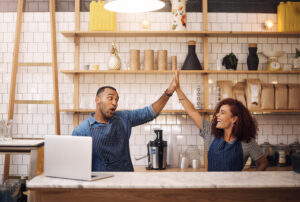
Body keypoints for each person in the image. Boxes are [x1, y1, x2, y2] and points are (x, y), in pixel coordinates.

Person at [72, 77, 177, 172]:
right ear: (97, 100)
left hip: (127, 183)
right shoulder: (81, 131)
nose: (115, 103)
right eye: (110, 98)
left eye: (117, 100)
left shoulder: (123, 118)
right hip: (100, 186)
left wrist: (169, 92)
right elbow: (77, 167)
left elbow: (149, 113)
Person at [174, 70, 268, 171]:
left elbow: (263, 163)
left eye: (222, 113)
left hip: (233, 187)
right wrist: (178, 89)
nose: (217, 115)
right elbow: (192, 111)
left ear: (234, 119)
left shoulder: (247, 142)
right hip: (211, 186)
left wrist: (248, 182)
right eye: (218, 112)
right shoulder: (210, 132)